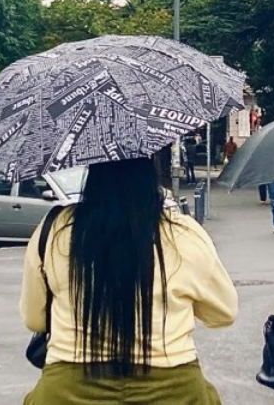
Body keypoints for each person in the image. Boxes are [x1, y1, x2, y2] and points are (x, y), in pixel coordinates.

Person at [21, 159, 238, 404]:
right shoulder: (184, 233)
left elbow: (34, 319)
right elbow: (224, 313)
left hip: (67, 389)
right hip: (175, 389)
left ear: (94, 176)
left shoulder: (55, 229)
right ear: (149, 179)